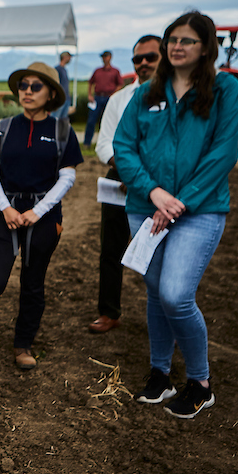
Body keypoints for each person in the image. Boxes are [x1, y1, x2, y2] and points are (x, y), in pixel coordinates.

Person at [113, 11, 238, 419]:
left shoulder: (225, 90)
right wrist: (154, 193)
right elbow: (124, 147)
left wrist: (178, 203)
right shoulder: (147, 92)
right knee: (156, 292)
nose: (177, 46)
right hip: (146, 208)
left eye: (187, 40)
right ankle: (160, 373)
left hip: (198, 210)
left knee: (175, 294)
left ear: (206, 47)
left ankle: (200, 383)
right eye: (173, 39)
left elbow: (222, 154)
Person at [0, 62, 81, 372]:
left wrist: (37, 212)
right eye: (23, 85)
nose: (27, 91)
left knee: (33, 282)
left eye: (36, 86)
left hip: (44, 216)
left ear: (50, 94)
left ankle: (23, 345)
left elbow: (67, 177)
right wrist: (6, 207)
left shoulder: (62, 131)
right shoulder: (3, 128)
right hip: (3, 212)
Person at [87, 35, 162, 333]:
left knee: (161, 250)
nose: (142, 64)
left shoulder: (179, 98)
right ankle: (109, 311)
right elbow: (104, 143)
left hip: (163, 184)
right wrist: (131, 174)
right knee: (112, 247)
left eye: (150, 58)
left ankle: (163, 316)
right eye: (137, 59)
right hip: (121, 180)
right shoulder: (120, 99)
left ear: (164, 58)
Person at [85, 51, 122, 145]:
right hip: (97, 97)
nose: (104, 59)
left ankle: (106, 143)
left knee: (107, 121)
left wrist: (113, 94)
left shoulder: (115, 71)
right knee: (91, 121)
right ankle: (87, 143)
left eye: (106, 57)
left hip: (108, 98)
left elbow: (120, 84)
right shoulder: (97, 71)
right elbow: (90, 82)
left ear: (110, 57)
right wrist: (90, 94)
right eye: (103, 57)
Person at [52, 51, 73, 120]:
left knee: (63, 121)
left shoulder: (64, 70)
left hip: (66, 98)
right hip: (60, 99)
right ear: (65, 57)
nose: (70, 59)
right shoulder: (57, 69)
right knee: (55, 118)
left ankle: (61, 131)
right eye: (69, 57)